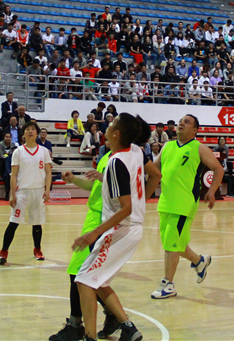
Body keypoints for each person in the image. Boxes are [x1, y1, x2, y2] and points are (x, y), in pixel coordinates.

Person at [73, 114, 162, 341]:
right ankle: (128, 328)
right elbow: (156, 175)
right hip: (131, 227)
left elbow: (126, 208)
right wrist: (140, 200)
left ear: (116, 133)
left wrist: (94, 233)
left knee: (84, 280)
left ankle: (89, 337)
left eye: (112, 124)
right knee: (99, 281)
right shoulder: (136, 151)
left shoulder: (116, 162)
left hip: (121, 229)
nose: (108, 124)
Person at [49, 146, 119, 341]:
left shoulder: (124, 159)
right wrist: (75, 180)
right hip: (93, 217)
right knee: (87, 275)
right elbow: (94, 187)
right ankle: (114, 316)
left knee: (79, 272)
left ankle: (76, 325)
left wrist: (103, 178)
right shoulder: (107, 156)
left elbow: (125, 189)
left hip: (104, 219)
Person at [152, 114, 224, 299]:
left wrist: (212, 191)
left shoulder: (199, 148)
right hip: (165, 202)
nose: (181, 123)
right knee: (174, 243)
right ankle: (199, 261)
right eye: (180, 121)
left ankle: (168, 284)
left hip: (184, 204)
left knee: (171, 245)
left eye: (187, 122)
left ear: (195, 130)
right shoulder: (167, 146)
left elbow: (218, 169)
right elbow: (153, 168)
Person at [0, 121, 52, 265]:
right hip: (22, 192)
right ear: (23, 134)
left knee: (37, 223)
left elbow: (48, 172)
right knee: (13, 223)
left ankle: (37, 249)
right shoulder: (18, 152)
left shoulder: (44, 151)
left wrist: (47, 190)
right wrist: (12, 195)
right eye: (27, 129)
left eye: (33, 129)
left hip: (38, 191)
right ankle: (3, 252)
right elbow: (14, 175)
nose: (30, 131)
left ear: (37, 133)